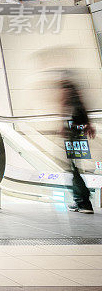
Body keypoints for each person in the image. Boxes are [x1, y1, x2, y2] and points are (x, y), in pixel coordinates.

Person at [58, 76, 95, 214]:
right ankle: (82, 200)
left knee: (72, 168)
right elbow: (83, 110)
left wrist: (62, 127)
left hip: (72, 134)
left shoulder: (67, 95)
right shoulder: (77, 97)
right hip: (79, 133)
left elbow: (65, 112)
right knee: (74, 167)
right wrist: (89, 125)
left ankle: (83, 202)